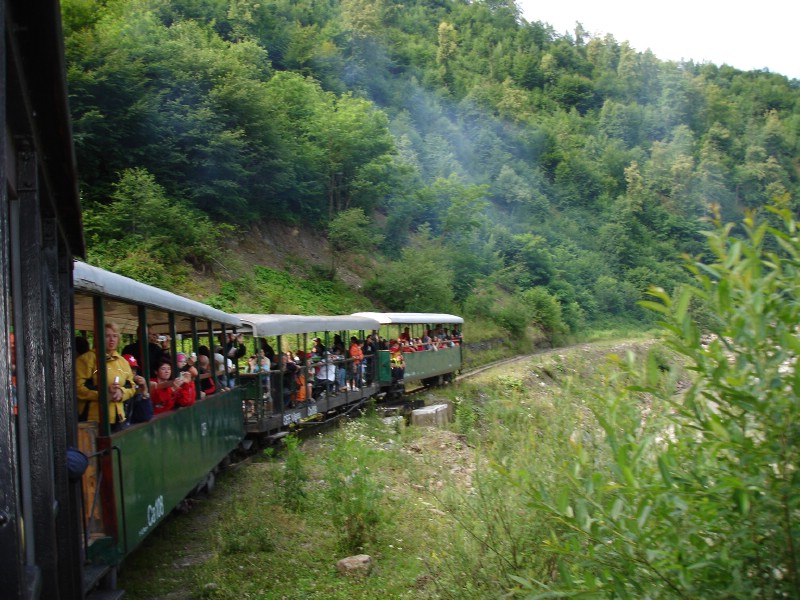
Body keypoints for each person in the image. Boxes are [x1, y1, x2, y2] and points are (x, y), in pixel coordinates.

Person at [76, 322, 136, 430]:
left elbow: (131, 386)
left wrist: (121, 392)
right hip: (94, 420)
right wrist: (104, 395)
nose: (112, 339)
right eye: (107, 336)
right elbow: (78, 388)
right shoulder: (87, 359)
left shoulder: (122, 361)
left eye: (115, 336)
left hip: (119, 417)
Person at [122, 354, 153, 424]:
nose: (133, 372)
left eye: (134, 369)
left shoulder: (137, 387)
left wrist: (144, 391)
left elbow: (146, 416)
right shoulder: (118, 387)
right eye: (130, 369)